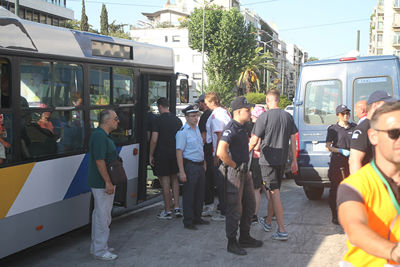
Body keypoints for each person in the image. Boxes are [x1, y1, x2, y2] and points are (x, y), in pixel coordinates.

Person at [338, 101, 400, 266]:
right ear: (373, 136)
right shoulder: (354, 186)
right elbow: (355, 229)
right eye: (394, 133)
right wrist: (394, 251)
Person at [249, 89, 298, 241]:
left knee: (274, 193)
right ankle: (269, 221)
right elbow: (293, 139)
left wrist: (244, 155)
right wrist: (294, 160)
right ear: (278, 99)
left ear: (268, 100)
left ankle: (282, 229)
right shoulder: (287, 116)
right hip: (282, 161)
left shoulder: (264, 117)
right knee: (273, 191)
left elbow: (254, 141)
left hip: (267, 161)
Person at [217, 96, 263, 256]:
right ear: (238, 112)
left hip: (245, 171)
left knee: (249, 205)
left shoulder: (243, 126)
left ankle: (245, 237)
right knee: (234, 209)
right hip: (235, 172)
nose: (250, 112)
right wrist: (235, 165)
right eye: (247, 110)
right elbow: (220, 151)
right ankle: (232, 242)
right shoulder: (231, 128)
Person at [88, 109, 119, 261]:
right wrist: (108, 182)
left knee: (99, 214)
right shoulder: (100, 136)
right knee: (103, 216)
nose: (118, 121)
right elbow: (100, 161)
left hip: (102, 182)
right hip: (102, 183)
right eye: (115, 118)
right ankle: (101, 250)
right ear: (107, 121)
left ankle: (97, 246)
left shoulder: (103, 135)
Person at [176, 105, 209, 230]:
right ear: (186, 117)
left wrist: (204, 162)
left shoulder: (196, 130)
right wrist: (181, 171)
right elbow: (179, 152)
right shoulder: (183, 132)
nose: (196, 118)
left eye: (197, 115)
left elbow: (200, 148)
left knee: (200, 194)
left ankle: (197, 217)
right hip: (190, 166)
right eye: (193, 116)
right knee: (189, 195)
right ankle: (188, 221)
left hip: (199, 165)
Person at [149, 97, 183, 219]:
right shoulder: (178, 120)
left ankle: (168, 210)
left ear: (159, 107)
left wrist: (150, 154)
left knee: (165, 182)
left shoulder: (157, 121)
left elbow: (154, 139)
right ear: (168, 105)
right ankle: (177, 207)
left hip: (161, 154)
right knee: (175, 180)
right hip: (175, 154)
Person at [349, 91, 396, 174]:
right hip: (370, 180)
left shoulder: (380, 125)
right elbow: (354, 161)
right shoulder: (363, 129)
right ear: (375, 106)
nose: (389, 108)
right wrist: (361, 185)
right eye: (386, 105)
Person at [325, 105, 356, 225]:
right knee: (335, 190)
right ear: (338, 115)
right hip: (338, 162)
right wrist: (341, 151)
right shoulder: (333, 129)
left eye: (348, 113)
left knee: (352, 190)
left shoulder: (354, 127)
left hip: (351, 162)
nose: (346, 115)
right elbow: (328, 146)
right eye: (343, 113)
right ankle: (335, 215)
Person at [205, 92, 231, 221]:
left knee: (221, 183)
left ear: (212, 102)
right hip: (227, 151)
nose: (206, 105)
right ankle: (223, 207)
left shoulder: (216, 115)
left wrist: (216, 155)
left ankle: (224, 212)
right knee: (224, 183)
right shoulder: (225, 112)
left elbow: (219, 135)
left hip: (220, 152)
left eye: (207, 103)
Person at [196, 94, 214, 215]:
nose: (198, 105)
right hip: (214, 151)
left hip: (207, 152)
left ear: (205, 103)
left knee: (207, 180)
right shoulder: (214, 114)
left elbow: (203, 137)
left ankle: (208, 205)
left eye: (200, 103)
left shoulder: (205, 117)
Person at [249, 106, 266, 223]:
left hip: (257, 159)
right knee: (266, 187)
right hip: (265, 160)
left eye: (253, 116)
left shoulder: (258, 128)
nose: (251, 118)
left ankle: (254, 215)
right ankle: (273, 211)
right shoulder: (267, 126)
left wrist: (248, 146)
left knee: (256, 189)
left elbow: (256, 146)